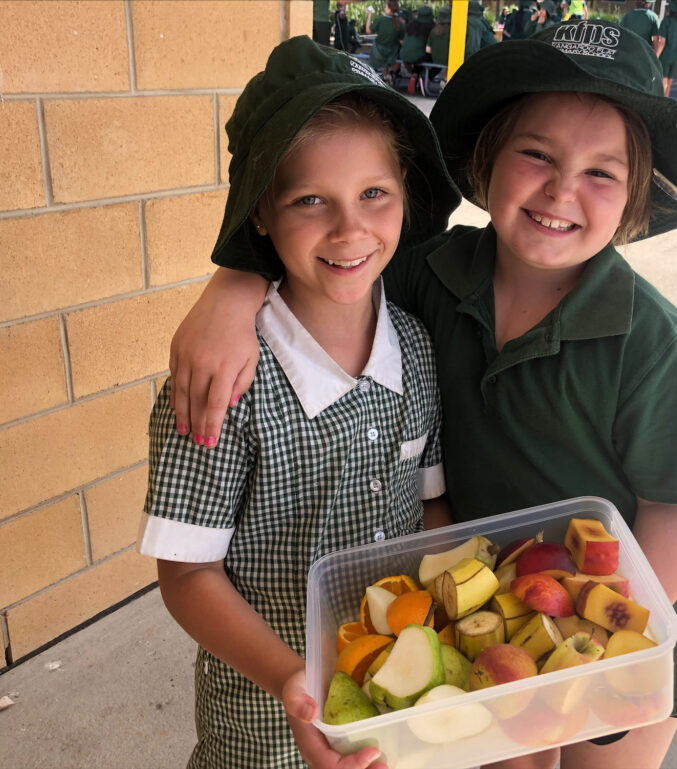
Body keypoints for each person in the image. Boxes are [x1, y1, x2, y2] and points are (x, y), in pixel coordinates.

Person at [166, 20, 677, 769]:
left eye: (602, 171)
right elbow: (327, 257)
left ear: (634, 199)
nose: (562, 188)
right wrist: (232, 285)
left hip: (631, 624)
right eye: (537, 154)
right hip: (485, 609)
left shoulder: (656, 342)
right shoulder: (428, 274)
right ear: (487, 161)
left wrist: (611, 656)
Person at [138, 36, 461, 769]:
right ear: (260, 213)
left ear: (405, 195)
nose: (350, 229)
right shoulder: (220, 383)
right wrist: (293, 676)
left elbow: (430, 507)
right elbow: (186, 573)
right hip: (263, 723)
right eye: (310, 200)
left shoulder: (415, 345)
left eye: (373, 194)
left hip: (397, 701)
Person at [366, 0, 404, 82]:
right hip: (392, 54)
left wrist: (369, 15)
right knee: (398, 55)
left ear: (390, 9)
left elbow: (368, 31)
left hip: (378, 53)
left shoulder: (381, 20)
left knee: (376, 54)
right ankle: (388, 75)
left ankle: (374, 76)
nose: (384, 8)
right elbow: (402, 41)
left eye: (386, 7)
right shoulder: (400, 23)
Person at [400, 4, 435, 80]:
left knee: (418, 55)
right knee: (429, 57)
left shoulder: (411, 25)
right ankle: (426, 78)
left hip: (404, 55)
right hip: (419, 56)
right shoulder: (431, 28)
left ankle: (414, 75)